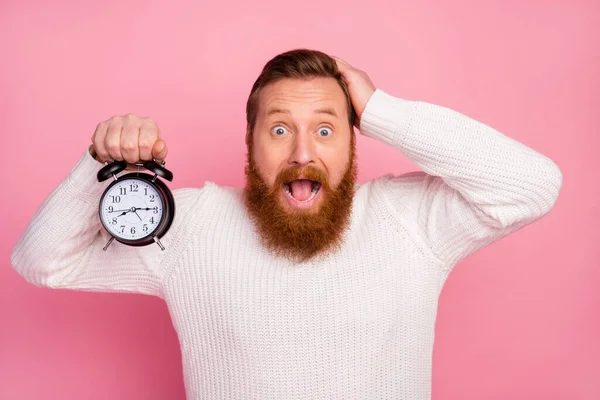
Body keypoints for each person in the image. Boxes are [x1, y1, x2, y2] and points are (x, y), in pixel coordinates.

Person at [11, 49, 563, 399]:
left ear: (354, 141)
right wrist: (95, 164)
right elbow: (41, 261)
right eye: (279, 130)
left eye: (326, 130)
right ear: (249, 146)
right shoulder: (190, 226)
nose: (303, 152)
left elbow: (533, 185)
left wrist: (380, 110)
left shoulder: (410, 219)